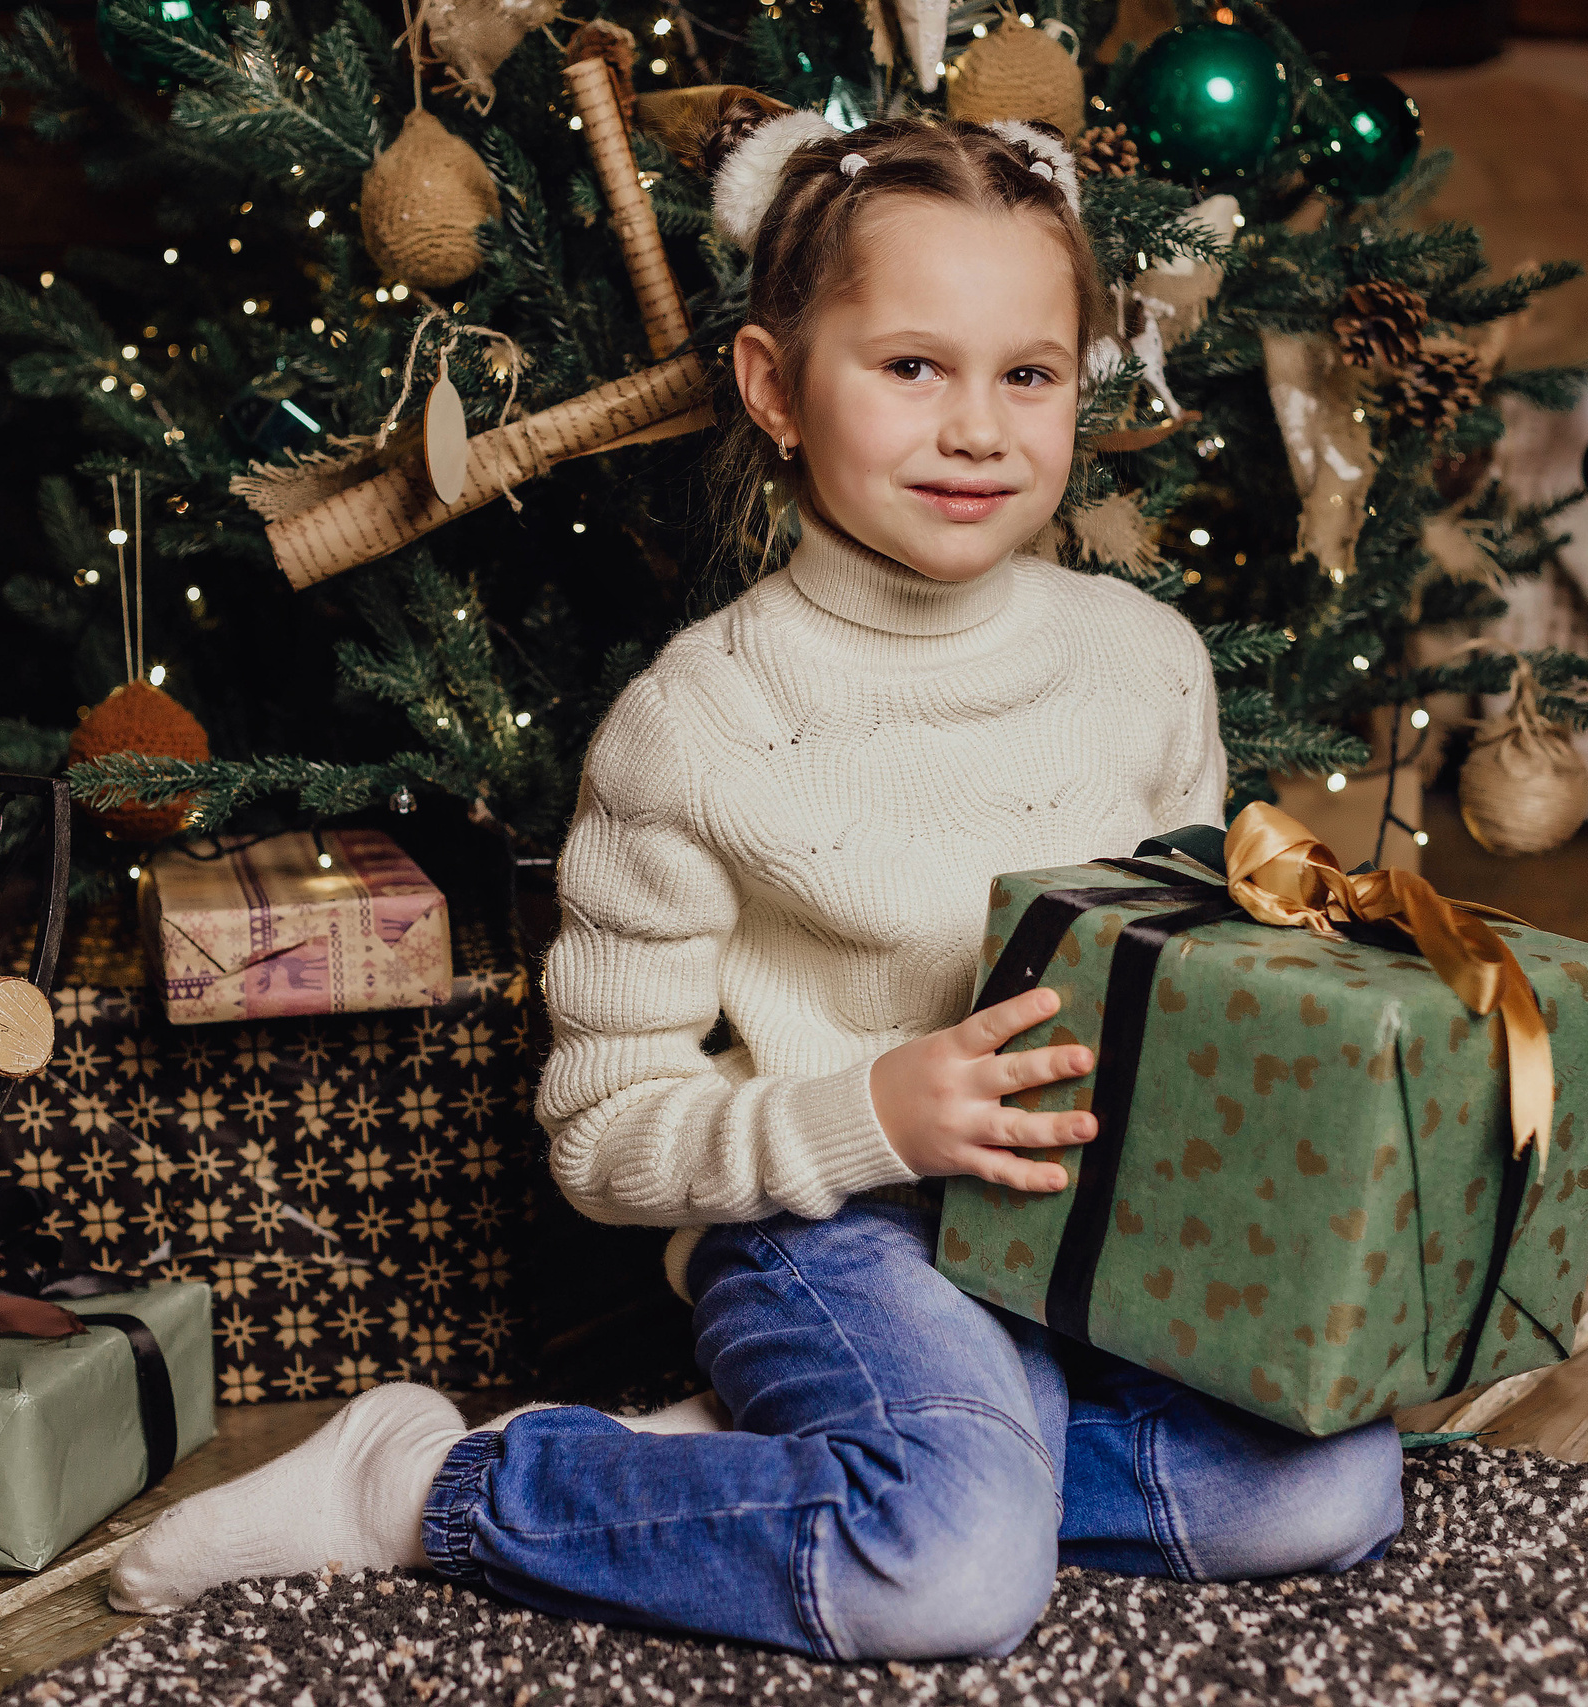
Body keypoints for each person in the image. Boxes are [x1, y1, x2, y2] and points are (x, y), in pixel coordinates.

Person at [110, 107, 1403, 1656]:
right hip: (824, 1229)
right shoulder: (698, 722)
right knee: (950, 1571)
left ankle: (810, 1462)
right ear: (776, 388)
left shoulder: (1145, 665)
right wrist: (874, 1119)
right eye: (912, 367)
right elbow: (601, 1138)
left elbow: (1196, 987)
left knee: (1324, 1488)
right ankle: (438, 1482)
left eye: (1029, 374)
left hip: (1072, 1232)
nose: (979, 429)